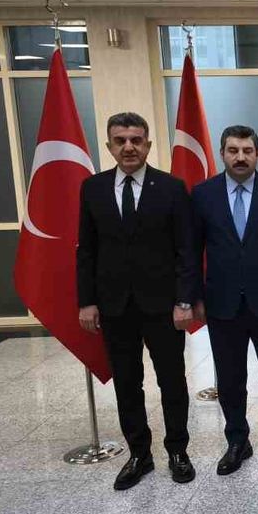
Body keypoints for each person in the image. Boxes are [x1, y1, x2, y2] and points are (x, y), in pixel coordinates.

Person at [76, 111, 196, 490]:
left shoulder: (172, 188)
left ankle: (178, 450)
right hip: (114, 307)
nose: (128, 147)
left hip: (162, 305)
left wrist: (184, 300)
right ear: (109, 145)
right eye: (120, 140)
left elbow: (186, 250)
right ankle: (139, 455)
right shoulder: (92, 188)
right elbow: (86, 250)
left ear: (148, 144)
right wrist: (86, 301)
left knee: (172, 382)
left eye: (136, 140)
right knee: (127, 384)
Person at [191, 125, 258, 475]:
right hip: (221, 304)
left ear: (257, 154)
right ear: (222, 153)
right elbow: (192, 251)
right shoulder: (203, 194)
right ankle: (237, 441)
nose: (240, 157)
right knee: (230, 379)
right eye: (233, 150)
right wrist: (194, 297)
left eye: (247, 151)